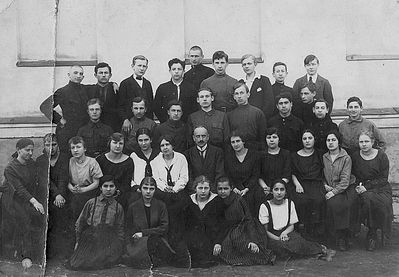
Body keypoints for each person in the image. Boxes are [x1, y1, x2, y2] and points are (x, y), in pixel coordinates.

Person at [259, 179, 335, 261]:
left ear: (286, 191)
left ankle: (319, 249)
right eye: (276, 189)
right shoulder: (265, 206)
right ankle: (314, 253)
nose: (279, 193)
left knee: (298, 242)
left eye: (282, 189)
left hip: (287, 233)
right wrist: (278, 238)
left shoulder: (290, 203)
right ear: (271, 191)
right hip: (272, 236)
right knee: (279, 247)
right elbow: (265, 231)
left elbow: (291, 225)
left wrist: (284, 233)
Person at [0, 139, 46, 267]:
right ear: (18, 150)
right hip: (13, 199)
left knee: (34, 221)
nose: (31, 153)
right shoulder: (10, 168)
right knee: (24, 222)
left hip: (27, 198)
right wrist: (35, 202)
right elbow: (19, 189)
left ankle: (32, 253)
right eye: (27, 150)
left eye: (32, 150)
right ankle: (26, 256)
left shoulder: (31, 163)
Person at [216, 177, 276, 266]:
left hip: (243, 228)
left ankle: (265, 256)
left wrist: (253, 240)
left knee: (245, 243)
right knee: (226, 248)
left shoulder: (239, 200)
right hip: (227, 231)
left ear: (231, 188)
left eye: (226, 188)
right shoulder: (216, 202)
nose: (223, 191)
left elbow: (248, 219)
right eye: (220, 189)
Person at [69, 175, 124, 270]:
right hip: (91, 237)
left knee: (102, 262)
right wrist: (77, 242)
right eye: (105, 186)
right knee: (78, 264)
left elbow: (120, 229)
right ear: (100, 188)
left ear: (115, 188)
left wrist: (119, 247)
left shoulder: (118, 207)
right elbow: (80, 223)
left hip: (108, 240)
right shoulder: (91, 203)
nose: (108, 189)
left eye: (111, 186)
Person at [151, 135, 190, 267]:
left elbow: (184, 177)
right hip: (162, 193)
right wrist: (165, 189)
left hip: (178, 192)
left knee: (178, 213)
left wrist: (175, 188)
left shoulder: (181, 158)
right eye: (162, 145)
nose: (165, 148)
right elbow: (156, 179)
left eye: (167, 144)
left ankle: (179, 249)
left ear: (172, 145)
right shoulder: (155, 161)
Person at [351, 131, 392, 251]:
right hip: (361, 186)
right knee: (365, 199)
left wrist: (367, 187)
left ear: (373, 142)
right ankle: (363, 231)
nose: (364, 144)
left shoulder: (381, 156)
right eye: (361, 142)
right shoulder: (355, 156)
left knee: (381, 203)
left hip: (380, 187)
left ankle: (372, 233)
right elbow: (353, 174)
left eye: (366, 141)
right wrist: (358, 185)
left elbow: (384, 178)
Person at [124, 177, 175, 268]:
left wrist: (144, 233)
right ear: (140, 189)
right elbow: (128, 228)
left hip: (157, 242)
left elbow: (164, 227)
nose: (148, 191)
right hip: (139, 244)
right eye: (145, 188)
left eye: (151, 189)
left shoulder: (161, 205)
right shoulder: (133, 207)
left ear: (155, 190)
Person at [36, 134, 72, 259]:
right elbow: (45, 180)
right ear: (44, 146)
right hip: (47, 195)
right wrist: (56, 194)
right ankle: (48, 251)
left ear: (58, 145)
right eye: (47, 145)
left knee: (64, 215)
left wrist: (61, 195)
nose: (51, 148)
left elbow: (64, 177)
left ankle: (64, 252)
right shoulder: (40, 161)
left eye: (53, 144)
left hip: (64, 194)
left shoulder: (65, 158)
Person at [40, 65, 89, 153]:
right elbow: (45, 106)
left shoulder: (86, 89)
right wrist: (59, 120)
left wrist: (113, 84)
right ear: (69, 75)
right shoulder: (62, 92)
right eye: (75, 73)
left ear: (83, 77)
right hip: (67, 131)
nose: (78, 76)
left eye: (81, 74)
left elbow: (99, 86)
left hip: (83, 130)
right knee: (67, 157)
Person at [322, 130, 355, 251]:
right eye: (328, 140)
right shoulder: (324, 157)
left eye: (333, 140)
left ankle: (342, 236)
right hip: (328, 188)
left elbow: (345, 180)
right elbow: (321, 175)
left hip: (343, 189)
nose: (330, 143)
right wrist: (325, 186)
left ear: (338, 142)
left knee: (338, 204)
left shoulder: (346, 158)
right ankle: (332, 236)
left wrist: (333, 192)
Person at [290, 129, 325, 240]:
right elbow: (292, 172)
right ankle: (302, 229)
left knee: (318, 200)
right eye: (304, 139)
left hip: (316, 183)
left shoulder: (320, 154)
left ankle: (316, 232)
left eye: (310, 138)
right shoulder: (294, 156)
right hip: (301, 184)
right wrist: (297, 184)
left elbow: (324, 171)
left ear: (314, 139)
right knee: (301, 201)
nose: (307, 141)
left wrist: (324, 184)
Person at [184, 176, 225, 268]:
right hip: (194, 240)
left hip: (211, 239)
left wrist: (218, 242)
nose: (203, 191)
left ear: (210, 188)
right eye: (200, 188)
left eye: (206, 188)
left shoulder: (217, 201)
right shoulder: (189, 201)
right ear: (195, 188)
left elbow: (222, 224)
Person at [224, 131, 262, 217]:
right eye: (233, 142)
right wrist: (233, 188)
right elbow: (228, 175)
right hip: (236, 188)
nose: (235, 144)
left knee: (254, 198)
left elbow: (255, 175)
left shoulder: (254, 155)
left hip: (251, 187)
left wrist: (247, 188)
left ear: (243, 141)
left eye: (238, 141)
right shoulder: (228, 157)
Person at [67, 136, 103, 222]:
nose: (75, 150)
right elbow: (66, 179)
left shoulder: (92, 162)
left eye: (78, 147)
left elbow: (96, 183)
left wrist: (83, 190)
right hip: (74, 192)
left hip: (89, 192)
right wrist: (71, 188)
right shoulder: (70, 161)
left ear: (85, 149)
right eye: (73, 148)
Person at [96, 133, 134, 210]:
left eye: (120, 143)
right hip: (102, 192)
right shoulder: (100, 159)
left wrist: (116, 192)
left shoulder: (128, 161)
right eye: (115, 143)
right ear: (109, 143)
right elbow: (98, 180)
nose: (117, 146)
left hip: (121, 194)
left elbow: (126, 183)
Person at [153, 58, 197, 123]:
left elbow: (194, 107)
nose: (176, 72)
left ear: (184, 71)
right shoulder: (162, 88)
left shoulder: (191, 88)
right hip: (167, 125)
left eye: (179, 69)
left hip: (185, 125)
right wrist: (165, 121)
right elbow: (156, 107)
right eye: (174, 69)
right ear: (170, 71)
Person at [119, 55, 154, 133]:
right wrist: (125, 119)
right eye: (139, 65)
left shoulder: (148, 84)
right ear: (133, 66)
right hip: (130, 124)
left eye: (144, 66)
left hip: (146, 123)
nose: (141, 68)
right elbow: (120, 105)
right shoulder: (125, 83)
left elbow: (150, 105)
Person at [228, 80, 267, 150]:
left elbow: (262, 136)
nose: (239, 96)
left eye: (242, 93)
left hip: (254, 149)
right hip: (236, 150)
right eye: (236, 94)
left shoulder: (257, 113)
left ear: (248, 94)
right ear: (234, 97)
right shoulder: (230, 115)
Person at [185, 126, 224, 192]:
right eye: (198, 136)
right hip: (194, 191)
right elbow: (189, 175)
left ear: (208, 137)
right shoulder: (188, 154)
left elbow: (219, 174)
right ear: (193, 138)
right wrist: (195, 190)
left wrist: (211, 190)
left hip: (213, 191)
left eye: (203, 136)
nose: (201, 139)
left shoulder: (217, 152)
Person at [86, 62, 121, 132]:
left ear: (110, 75)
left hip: (112, 125)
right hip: (94, 126)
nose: (103, 75)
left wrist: (113, 83)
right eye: (101, 73)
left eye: (106, 73)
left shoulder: (115, 89)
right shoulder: (89, 89)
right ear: (95, 75)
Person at [259, 127, 291, 199]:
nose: (271, 140)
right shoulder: (261, 155)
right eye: (269, 137)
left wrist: (276, 188)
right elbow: (259, 176)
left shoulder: (286, 154)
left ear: (279, 139)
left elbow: (287, 175)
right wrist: (265, 187)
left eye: (274, 137)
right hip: (265, 187)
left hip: (282, 187)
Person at [241, 54, 274, 120]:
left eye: (249, 63)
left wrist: (261, 117)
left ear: (255, 64)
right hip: (245, 119)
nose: (246, 66)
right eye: (244, 64)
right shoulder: (241, 82)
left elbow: (269, 102)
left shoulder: (264, 80)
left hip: (260, 118)